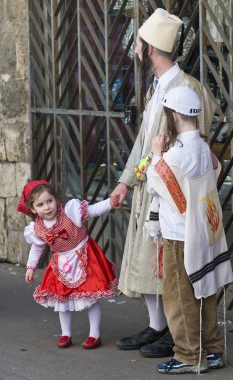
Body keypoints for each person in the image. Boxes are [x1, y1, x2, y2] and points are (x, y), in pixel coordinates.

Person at [110, 8, 217, 358]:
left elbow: (195, 144)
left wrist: (164, 170)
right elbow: (143, 140)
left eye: (139, 43)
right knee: (149, 263)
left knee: (169, 266)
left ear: (151, 49)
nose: (136, 48)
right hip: (151, 184)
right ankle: (158, 327)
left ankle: (175, 331)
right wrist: (126, 181)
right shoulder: (159, 87)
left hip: (172, 191)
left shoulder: (187, 89)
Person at [146, 87, 233, 374]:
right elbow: (216, 171)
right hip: (207, 232)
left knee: (180, 297)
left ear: (173, 115)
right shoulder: (204, 148)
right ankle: (213, 351)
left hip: (179, 236)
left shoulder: (173, 155)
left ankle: (186, 355)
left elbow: (156, 182)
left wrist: (157, 155)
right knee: (206, 292)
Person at [17, 180, 119, 349]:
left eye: (50, 201)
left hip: (85, 257)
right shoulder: (37, 228)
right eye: (41, 204)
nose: (47, 207)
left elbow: (93, 210)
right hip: (61, 262)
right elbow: (37, 247)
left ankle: (94, 334)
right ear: (33, 209)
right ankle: (66, 333)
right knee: (62, 300)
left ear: (56, 200)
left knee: (91, 297)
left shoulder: (71, 212)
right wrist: (30, 266)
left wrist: (109, 202)